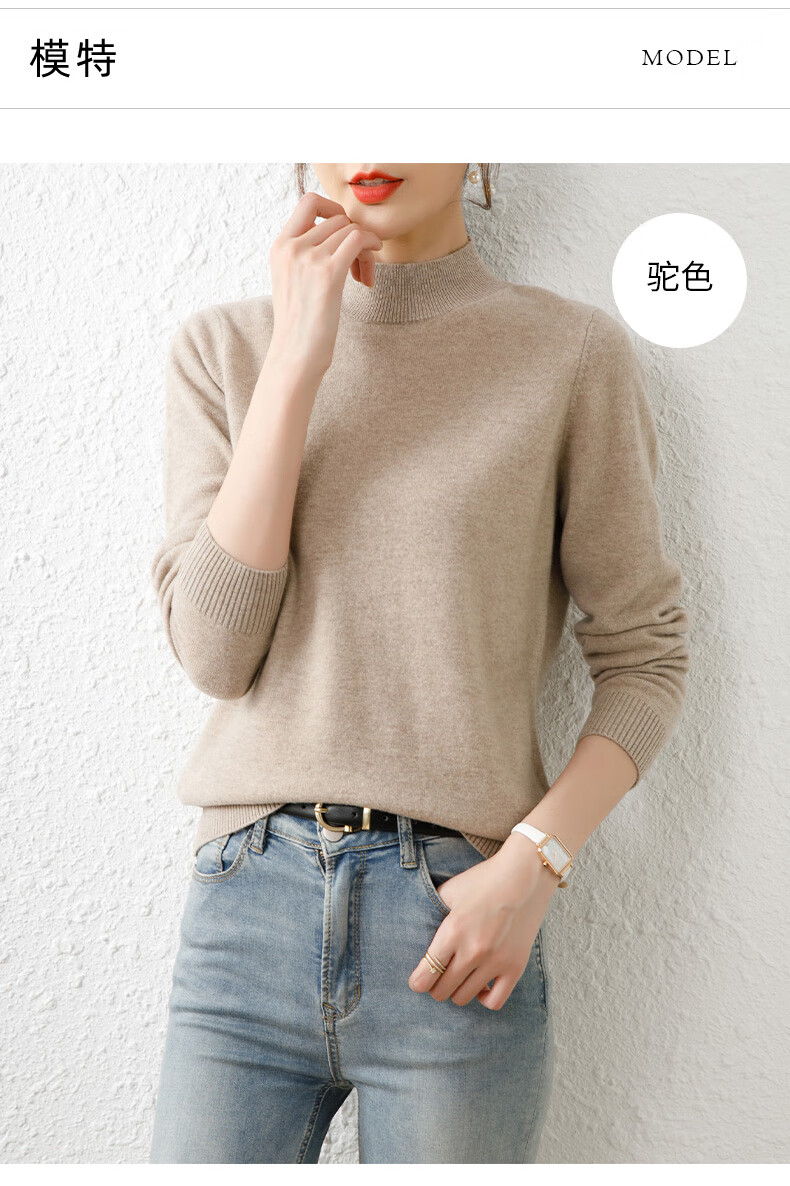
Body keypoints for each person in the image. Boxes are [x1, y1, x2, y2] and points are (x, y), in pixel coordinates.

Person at [148, 163, 691, 1164]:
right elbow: (217, 654)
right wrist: (297, 359)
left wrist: (534, 864)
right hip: (244, 918)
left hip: (457, 922)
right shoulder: (223, 348)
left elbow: (644, 654)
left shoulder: (569, 354)